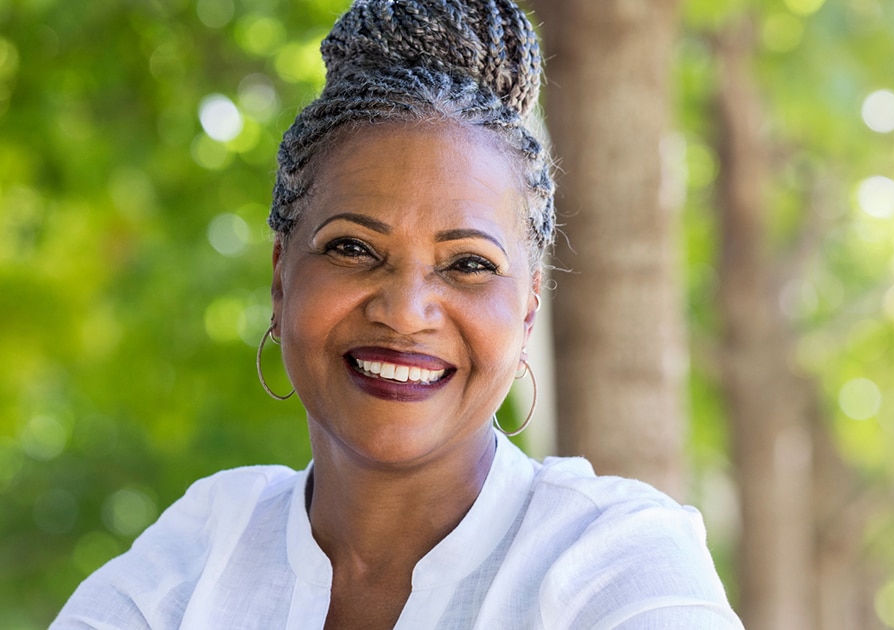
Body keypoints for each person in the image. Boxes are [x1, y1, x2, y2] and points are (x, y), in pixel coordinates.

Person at [52, 1, 742, 627]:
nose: (405, 312)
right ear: (280, 279)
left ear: (529, 307)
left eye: (468, 263)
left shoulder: (613, 561)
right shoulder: (202, 554)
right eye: (353, 248)